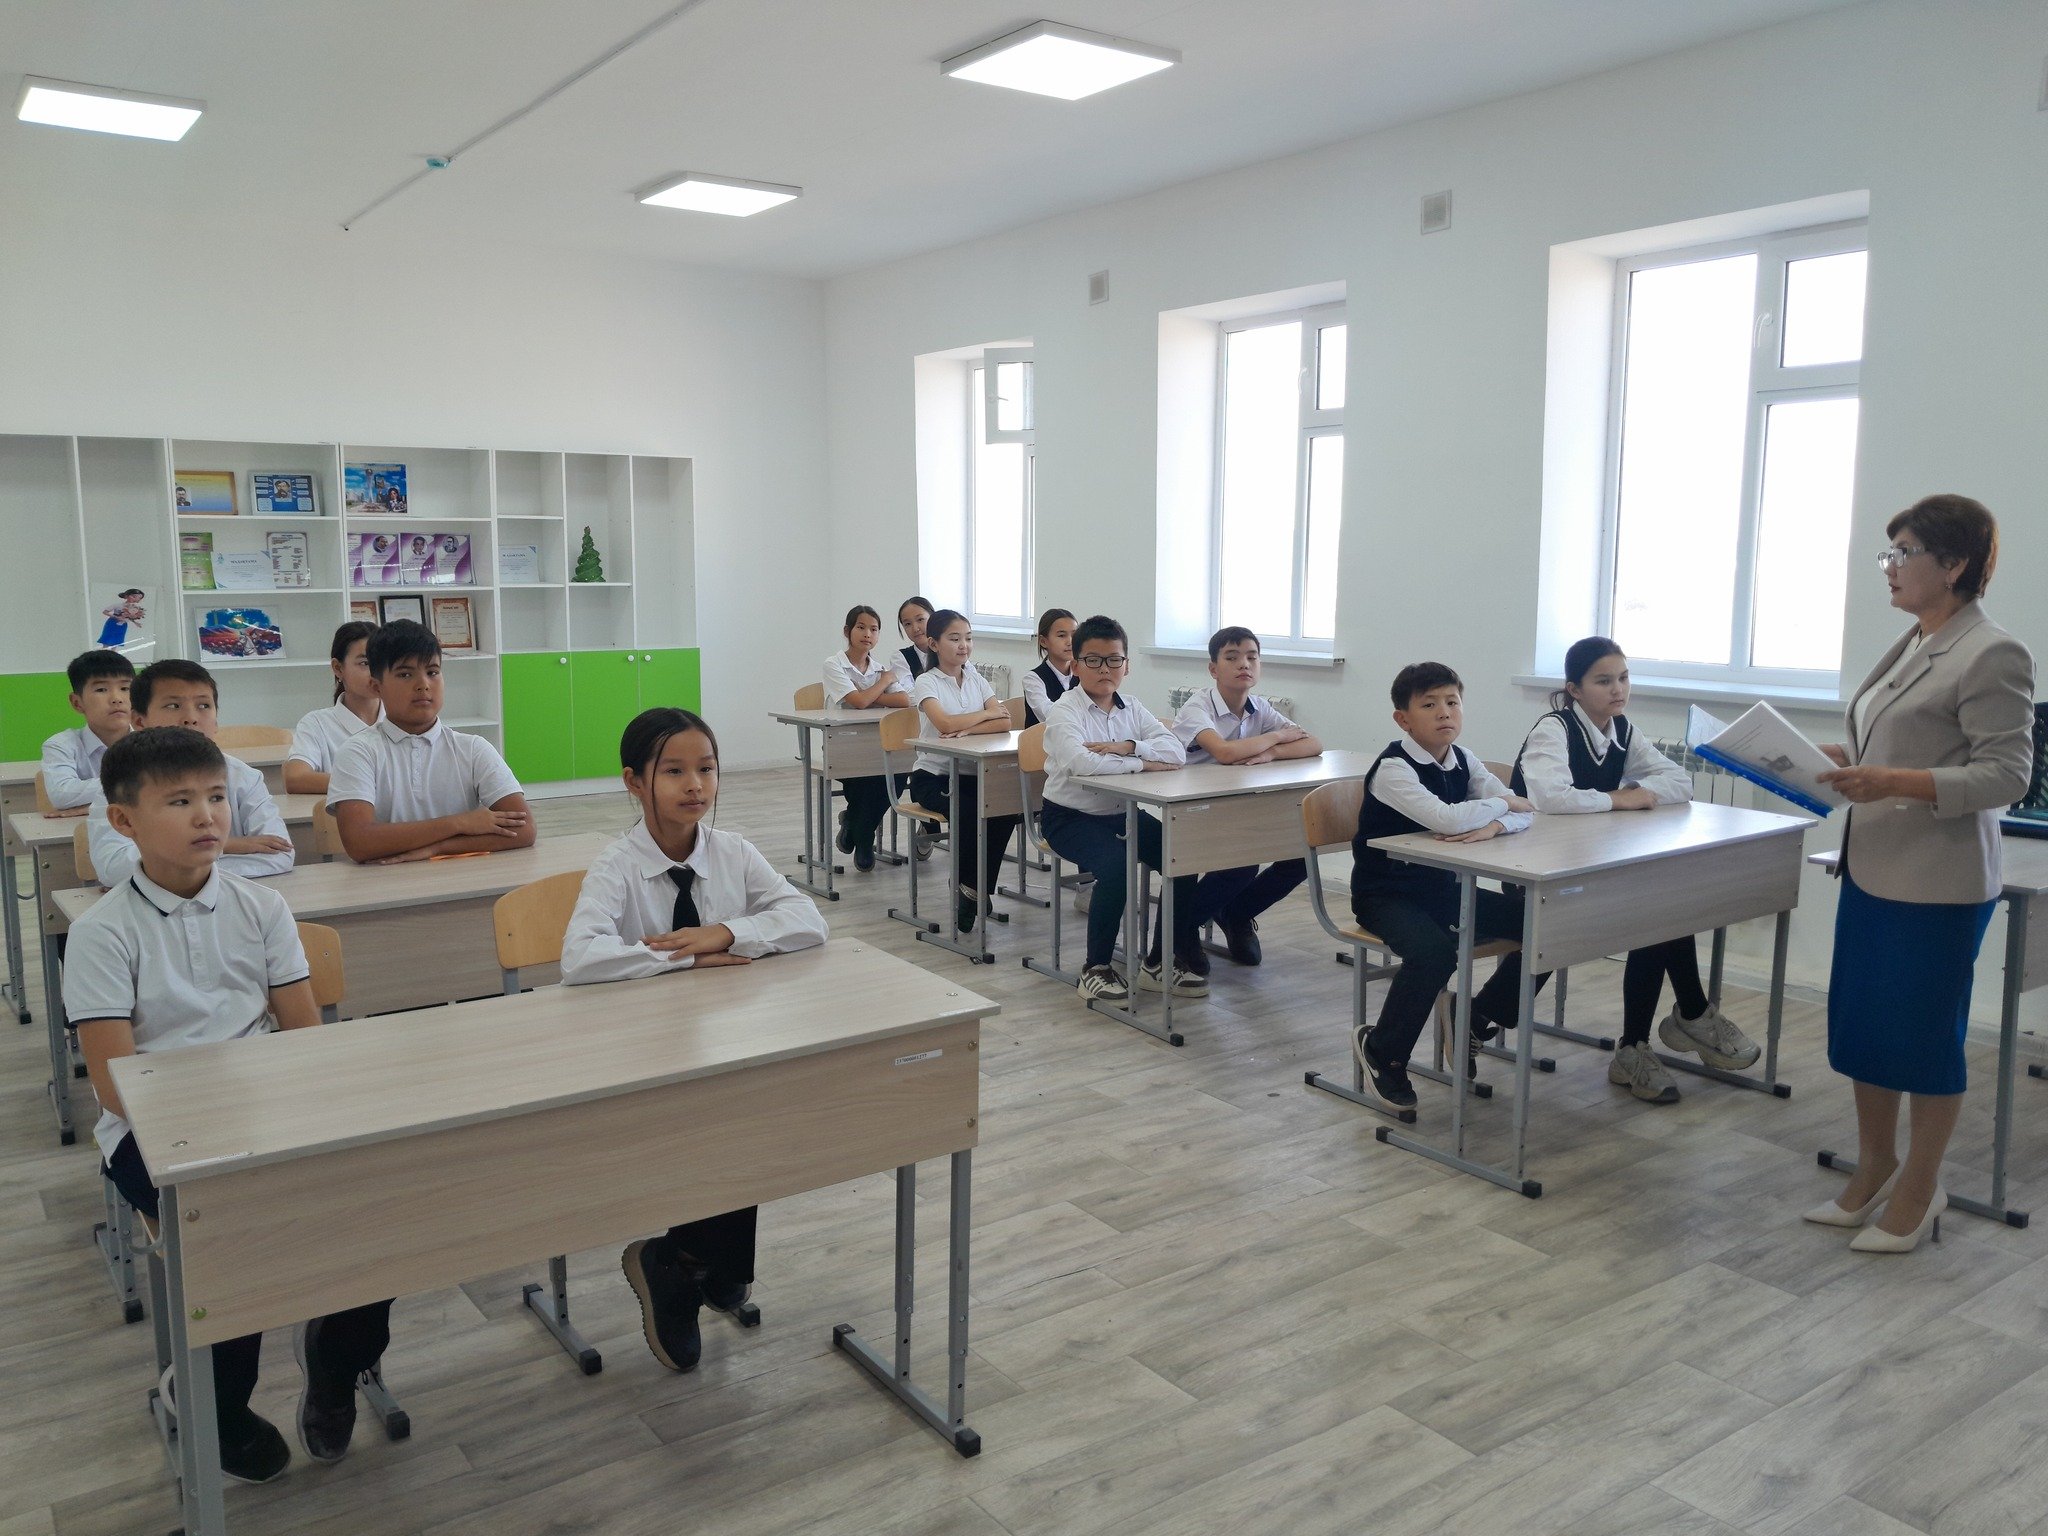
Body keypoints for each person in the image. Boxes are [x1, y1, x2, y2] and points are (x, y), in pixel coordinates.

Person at [68, 728, 399, 1480]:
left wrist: (279, 1107)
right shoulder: (100, 933)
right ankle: (217, 1401)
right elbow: (116, 1086)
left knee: (376, 1206)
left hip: (266, 1108)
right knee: (229, 1245)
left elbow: (303, 1039)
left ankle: (337, 1364)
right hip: (151, 1132)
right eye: (179, 801)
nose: (207, 816)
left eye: (216, 797)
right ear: (123, 821)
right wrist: (233, 1108)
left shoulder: (260, 907)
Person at [562, 707, 824, 1370]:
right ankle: (684, 1264)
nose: (694, 785)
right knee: (718, 1121)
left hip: (725, 1039)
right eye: (673, 771)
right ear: (634, 781)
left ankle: (686, 1261)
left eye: (705, 769)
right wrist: (683, 958)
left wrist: (728, 932)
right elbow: (580, 958)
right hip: (642, 1052)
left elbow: (807, 919)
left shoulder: (732, 851)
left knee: (748, 1108)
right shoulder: (617, 865)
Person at [1806, 495, 2034, 1252]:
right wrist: (1847, 761)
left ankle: (1920, 1188)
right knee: (1866, 1029)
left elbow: (2007, 775)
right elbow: (1901, 741)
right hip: (1873, 869)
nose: (1890, 567)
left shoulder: (1992, 652)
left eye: (1903, 553)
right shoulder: (1914, 640)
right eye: (1889, 553)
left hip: (1938, 883)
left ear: (1955, 563)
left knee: (1924, 1037)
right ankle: (1874, 1164)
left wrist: (1895, 781)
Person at [1510, 636, 1760, 1102]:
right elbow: (1551, 798)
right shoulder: (1553, 730)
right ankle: (1684, 1019)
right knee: (1657, 911)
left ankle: (1639, 1045)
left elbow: (1680, 781)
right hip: (1534, 872)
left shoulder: (1623, 730)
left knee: (1661, 907)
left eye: (1623, 678)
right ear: (1574, 689)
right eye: (1603, 681)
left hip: (1587, 866)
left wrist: (1637, 794)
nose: (1617, 689)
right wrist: (1621, 799)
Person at [1349, 662, 1548, 1113]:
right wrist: (1500, 805)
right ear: (1403, 718)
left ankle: (1476, 1016)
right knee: (1434, 954)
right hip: (1386, 895)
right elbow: (1446, 818)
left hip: (1444, 891)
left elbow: (1525, 811)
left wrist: (1495, 823)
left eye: (1452, 702)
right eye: (1429, 705)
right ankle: (1383, 1052)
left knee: (1545, 923)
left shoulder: (1464, 759)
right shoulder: (1393, 769)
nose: (1444, 713)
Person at [1040, 614, 1207, 1000]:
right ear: (1076, 665)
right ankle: (1095, 968)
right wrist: (1143, 763)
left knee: (1183, 857)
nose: (1105, 669)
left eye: (1114, 660)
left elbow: (1176, 752)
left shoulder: (1133, 707)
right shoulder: (1065, 711)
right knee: (1117, 868)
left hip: (1122, 815)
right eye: (1093, 660)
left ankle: (1159, 962)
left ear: (1127, 666)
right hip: (1068, 818)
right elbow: (1082, 764)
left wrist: (1129, 747)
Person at [1173, 626, 1323, 966]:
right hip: (1193, 810)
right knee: (1243, 864)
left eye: (1252, 657)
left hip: (1243, 807)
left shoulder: (1259, 707)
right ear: (1213, 669)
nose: (1244, 664)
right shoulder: (1197, 707)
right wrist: (1277, 738)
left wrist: (1271, 753)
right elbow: (1225, 753)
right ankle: (1183, 930)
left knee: (1300, 857)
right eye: (1232, 658)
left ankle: (1236, 914)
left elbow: (1313, 743)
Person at [327, 620, 534, 863]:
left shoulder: (473, 749)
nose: (423, 685)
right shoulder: (358, 751)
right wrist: (459, 823)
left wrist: (441, 847)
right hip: (385, 880)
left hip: (461, 877)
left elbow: (524, 829)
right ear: (376, 686)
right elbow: (360, 842)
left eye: (432, 672)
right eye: (405, 674)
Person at [88, 660, 294, 886]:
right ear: (139, 721)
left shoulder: (244, 776)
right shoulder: (122, 779)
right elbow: (113, 868)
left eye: (204, 705)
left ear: (216, 720)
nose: (191, 718)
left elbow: (280, 854)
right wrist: (229, 845)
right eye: (173, 706)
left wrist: (174, 870)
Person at [908, 610, 1020, 935]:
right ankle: (971, 888)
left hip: (972, 774)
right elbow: (943, 724)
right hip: (933, 776)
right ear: (934, 644)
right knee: (970, 810)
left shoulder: (976, 677)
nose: (964, 646)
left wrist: (967, 727)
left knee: (1003, 809)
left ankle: (972, 887)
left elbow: (1005, 721)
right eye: (955, 639)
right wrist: (982, 715)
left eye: (968, 638)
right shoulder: (926, 681)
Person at [821, 604, 909, 872]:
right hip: (842, 745)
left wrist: (869, 695)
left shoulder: (879, 668)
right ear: (847, 631)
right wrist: (882, 685)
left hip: (875, 744)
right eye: (861, 627)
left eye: (874, 629)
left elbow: (903, 700)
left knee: (897, 774)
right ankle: (863, 838)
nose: (867, 634)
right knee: (866, 779)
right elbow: (858, 703)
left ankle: (856, 826)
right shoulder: (834, 664)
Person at [283, 621, 381, 795]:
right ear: (338, 668)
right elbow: (295, 778)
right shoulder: (316, 724)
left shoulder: (404, 720)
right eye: (365, 663)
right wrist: (373, 783)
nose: (376, 672)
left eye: (381, 661)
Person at [41, 648, 134, 812]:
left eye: (125, 688)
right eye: (101, 689)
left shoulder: (155, 741)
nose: (117, 699)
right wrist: (136, 786)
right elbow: (61, 794)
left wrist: (94, 805)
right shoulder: (60, 745)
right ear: (77, 703)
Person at [1021, 608, 1078, 726]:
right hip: (1043, 738)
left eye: (1074, 635)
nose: (1070, 642)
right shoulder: (1032, 679)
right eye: (1062, 635)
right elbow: (1051, 716)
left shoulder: (1083, 674)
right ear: (1043, 641)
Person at [896, 596, 937, 682]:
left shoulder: (950, 651)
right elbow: (906, 690)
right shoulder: (901, 658)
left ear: (933, 618)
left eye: (920, 619)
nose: (915, 628)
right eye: (908, 624)